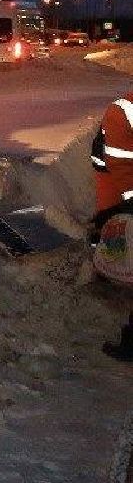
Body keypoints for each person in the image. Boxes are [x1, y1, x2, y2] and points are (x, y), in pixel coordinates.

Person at [92, 92, 133, 359]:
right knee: (111, 229)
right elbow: (120, 162)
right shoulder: (122, 111)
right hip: (114, 181)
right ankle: (104, 271)